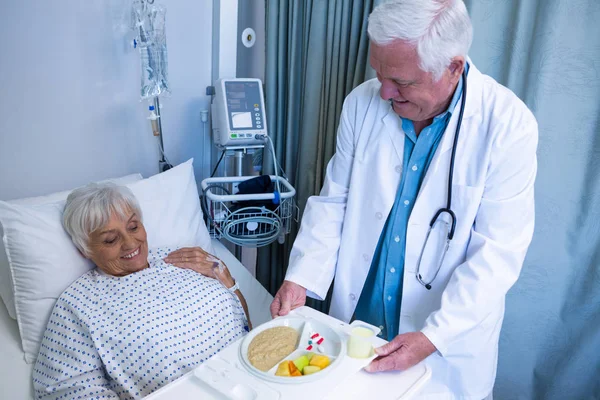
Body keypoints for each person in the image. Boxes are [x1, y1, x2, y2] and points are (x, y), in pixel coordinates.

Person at [270, 0, 537, 398]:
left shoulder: (507, 126)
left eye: (402, 82)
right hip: (358, 330)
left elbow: (496, 256)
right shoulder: (361, 103)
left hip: (442, 342)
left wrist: (432, 337)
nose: (384, 92)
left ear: (453, 67)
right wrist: (301, 278)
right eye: (380, 74)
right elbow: (334, 202)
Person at [33, 183, 251, 399]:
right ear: (84, 249)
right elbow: (66, 390)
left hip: (258, 380)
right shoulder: (78, 304)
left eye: (133, 227)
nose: (130, 243)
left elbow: (244, 325)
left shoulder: (182, 257)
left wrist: (228, 280)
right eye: (110, 239)